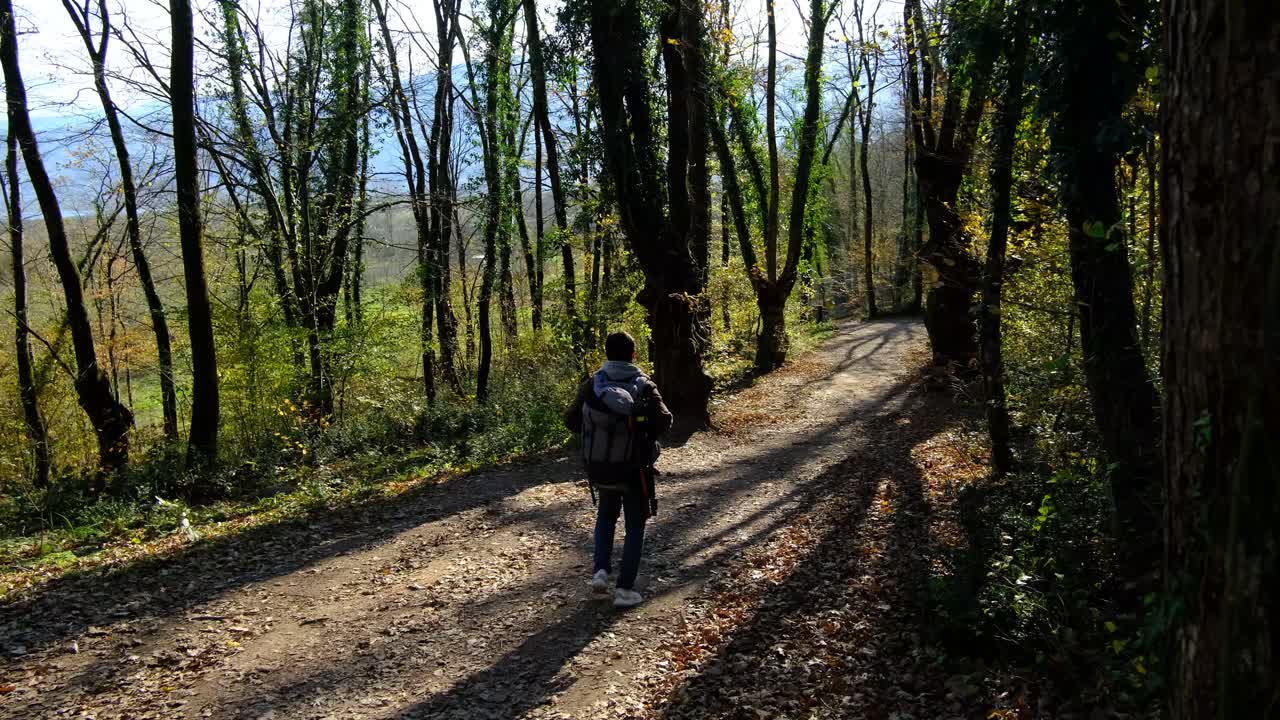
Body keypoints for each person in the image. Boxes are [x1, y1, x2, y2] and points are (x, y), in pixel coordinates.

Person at [564, 331, 673, 608]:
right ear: (633, 355)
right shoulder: (644, 385)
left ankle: (600, 571)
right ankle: (624, 590)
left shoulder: (593, 384)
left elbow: (571, 420)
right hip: (634, 470)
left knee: (606, 516)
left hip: (600, 468)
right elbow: (664, 420)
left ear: (607, 354)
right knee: (635, 526)